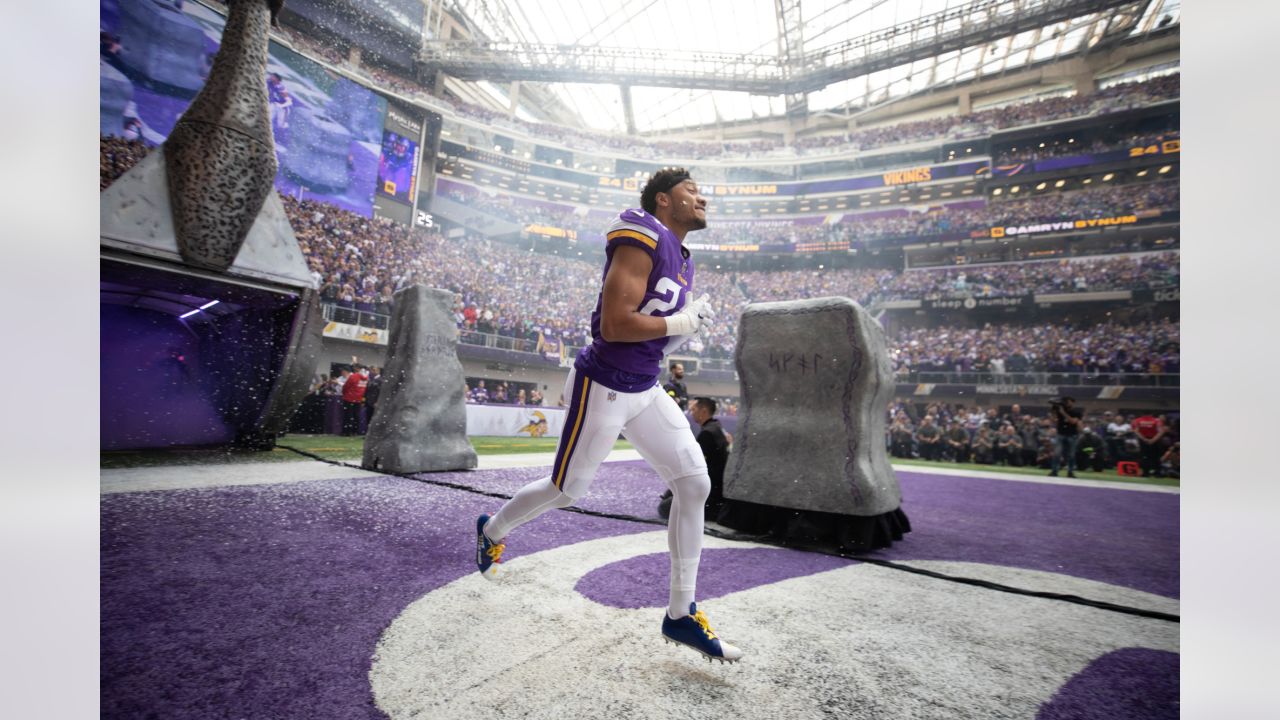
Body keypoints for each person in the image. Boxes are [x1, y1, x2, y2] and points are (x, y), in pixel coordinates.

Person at [474, 168, 741, 662]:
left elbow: (653, 334)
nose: (702, 197)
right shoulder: (641, 233)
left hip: (644, 386)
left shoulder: (682, 257)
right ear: (664, 200)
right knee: (567, 490)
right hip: (604, 385)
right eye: (691, 191)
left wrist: (684, 331)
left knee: (694, 483)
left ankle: (681, 614)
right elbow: (616, 325)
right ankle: (492, 530)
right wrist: (680, 319)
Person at [1048, 396, 1084, 477]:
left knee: (1071, 454)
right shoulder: (1060, 410)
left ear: (1072, 402)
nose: (1066, 403)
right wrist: (1053, 409)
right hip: (1061, 433)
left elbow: (1073, 421)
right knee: (1057, 453)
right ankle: (1054, 471)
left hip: (1072, 435)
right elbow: (1054, 420)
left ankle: (1070, 472)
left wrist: (1063, 413)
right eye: (1065, 401)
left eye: (1068, 401)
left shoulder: (1077, 412)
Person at [1131, 412, 1168, 477]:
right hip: (1155, 441)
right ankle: (1157, 473)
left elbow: (1136, 431)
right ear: (1151, 414)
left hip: (1143, 441)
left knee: (1144, 457)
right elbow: (1161, 431)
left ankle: (1145, 473)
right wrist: (1153, 440)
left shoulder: (1137, 420)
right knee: (1155, 457)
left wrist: (1144, 439)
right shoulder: (1157, 420)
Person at [341, 364, 368, 435]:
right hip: (358, 399)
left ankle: (347, 432)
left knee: (348, 416)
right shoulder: (366, 377)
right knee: (356, 416)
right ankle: (355, 431)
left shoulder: (354, 376)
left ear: (356, 368)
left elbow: (346, 386)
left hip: (349, 398)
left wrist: (345, 394)